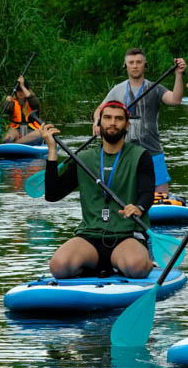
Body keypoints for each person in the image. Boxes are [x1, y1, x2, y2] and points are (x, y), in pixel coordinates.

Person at [42, 101, 153, 279]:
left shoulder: (140, 156)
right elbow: (53, 195)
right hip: (90, 236)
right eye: (107, 118)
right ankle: (96, 267)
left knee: (136, 267)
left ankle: (138, 260)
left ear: (127, 124)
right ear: (98, 123)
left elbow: (147, 193)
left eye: (118, 119)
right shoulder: (83, 158)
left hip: (126, 236)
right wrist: (52, 151)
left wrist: (138, 208)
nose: (112, 123)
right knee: (59, 267)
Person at [93, 48, 186, 201]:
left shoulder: (155, 88)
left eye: (139, 62)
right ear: (126, 66)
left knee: (161, 194)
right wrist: (97, 122)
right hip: (125, 152)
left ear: (145, 65)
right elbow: (99, 109)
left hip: (153, 150)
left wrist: (178, 75)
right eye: (131, 63)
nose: (135, 66)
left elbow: (175, 100)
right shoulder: (118, 90)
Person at [2, 75, 43, 144]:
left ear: (27, 90)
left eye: (22, 90)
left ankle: (15, 144)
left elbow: (34, 102)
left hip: (31, 131)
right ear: (15, 92)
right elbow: (7, 110)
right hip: (17, 131)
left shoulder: (33, 101)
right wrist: (6, 103)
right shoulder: (12, 102)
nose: (20, 92)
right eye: (18, 91)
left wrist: (22, 86)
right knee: (11, 132)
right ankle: (9, 141)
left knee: (40, 132)